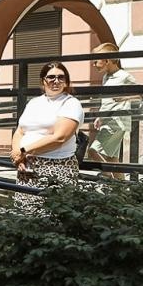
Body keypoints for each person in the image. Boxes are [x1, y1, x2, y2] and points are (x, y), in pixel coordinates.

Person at [11, 61, 85, 207]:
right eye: (51, 77)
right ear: (43, 80)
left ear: (66, 81)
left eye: (61, 77)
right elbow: (20, 130)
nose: (56, 81)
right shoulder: (34, 102)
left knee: (52, 217)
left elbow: (59, 138)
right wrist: (17, 156)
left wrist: (23, 151)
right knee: (25, 216)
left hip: (57, 167)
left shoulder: (71, 103)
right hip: (27, 167)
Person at [86, 43, 138, 174]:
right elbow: (106, 101)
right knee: (112, 158)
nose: (94, 64)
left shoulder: (124, 76)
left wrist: (125, 98)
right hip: (108, 120)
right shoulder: (106, 77)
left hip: (117, 121)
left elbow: (141, 94)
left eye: (96, 61)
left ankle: (107, 178)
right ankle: (121, 189)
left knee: (92, 150)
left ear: (107, 61)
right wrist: (100, 116)